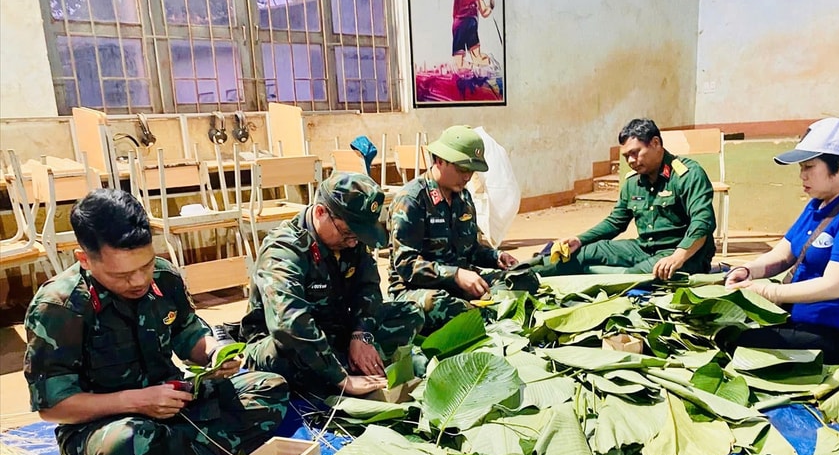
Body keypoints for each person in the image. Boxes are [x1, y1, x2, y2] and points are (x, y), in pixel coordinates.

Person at [23, 189, 289, 455]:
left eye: (146, 265)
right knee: (128, 446)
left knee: (269, 387)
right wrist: (136, 402)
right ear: (85, 260)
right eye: (122, 275)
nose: (139, 281)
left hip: (175, 401)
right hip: (106, 426)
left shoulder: (164, 277)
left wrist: (215, 354)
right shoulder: (59, 307)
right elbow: (53, 407)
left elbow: (190, 337)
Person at [725, 117, 839, 364]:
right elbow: (783, 254)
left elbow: (836, 285)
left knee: (736, 343)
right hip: (801, 321)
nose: (801, 176)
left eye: (809, 167)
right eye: (801, 168)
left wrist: (768, 291)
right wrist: (747, 270)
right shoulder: (819, 203)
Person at [241, 173, 423, 398]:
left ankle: (344, 365)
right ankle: (338, 374)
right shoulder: (284, 251)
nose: (354, 242)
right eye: (348, 233)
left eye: (358, 236)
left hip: (334, 330)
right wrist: (340, 378)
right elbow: (289, 324)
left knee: (409, 312)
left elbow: (369, 288)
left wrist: (361, 334)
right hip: (288, 341)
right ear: (320, 213)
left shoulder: (350, 240)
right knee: (283, 354)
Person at [536, 118, 717, 280]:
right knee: (580, 254)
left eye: (635, 153)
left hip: (683, 254)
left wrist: (677, 256)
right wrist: (580, 239)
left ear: (655, 143)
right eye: (626, 156)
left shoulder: (687, 175)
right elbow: (616, 222)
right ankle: (522, 273)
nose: (630, 160)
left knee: (631, 277)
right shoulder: (633, 182)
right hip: (643, 248)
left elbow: (702, 222)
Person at [388, 125, 527, 333]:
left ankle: (481, 317)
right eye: (462, 169)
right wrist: (455, 275)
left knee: (521, 279)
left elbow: (470, 249)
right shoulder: (412, 200)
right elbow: (406, 265)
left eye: (471, 171)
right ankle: (483, 318)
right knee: (443, 307)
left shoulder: (463, 197)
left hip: (461, 284)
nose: (468, 177)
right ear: (440, 160)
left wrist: (496, 257)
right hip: (417, 290)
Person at [451, 0, 495, 69]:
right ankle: (487, 65)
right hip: (471, 21)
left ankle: (476, 68)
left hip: (460, 22)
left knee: (459, 64)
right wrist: (491, 7)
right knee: (477, 58)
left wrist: (490, 7)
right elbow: (484, 11)